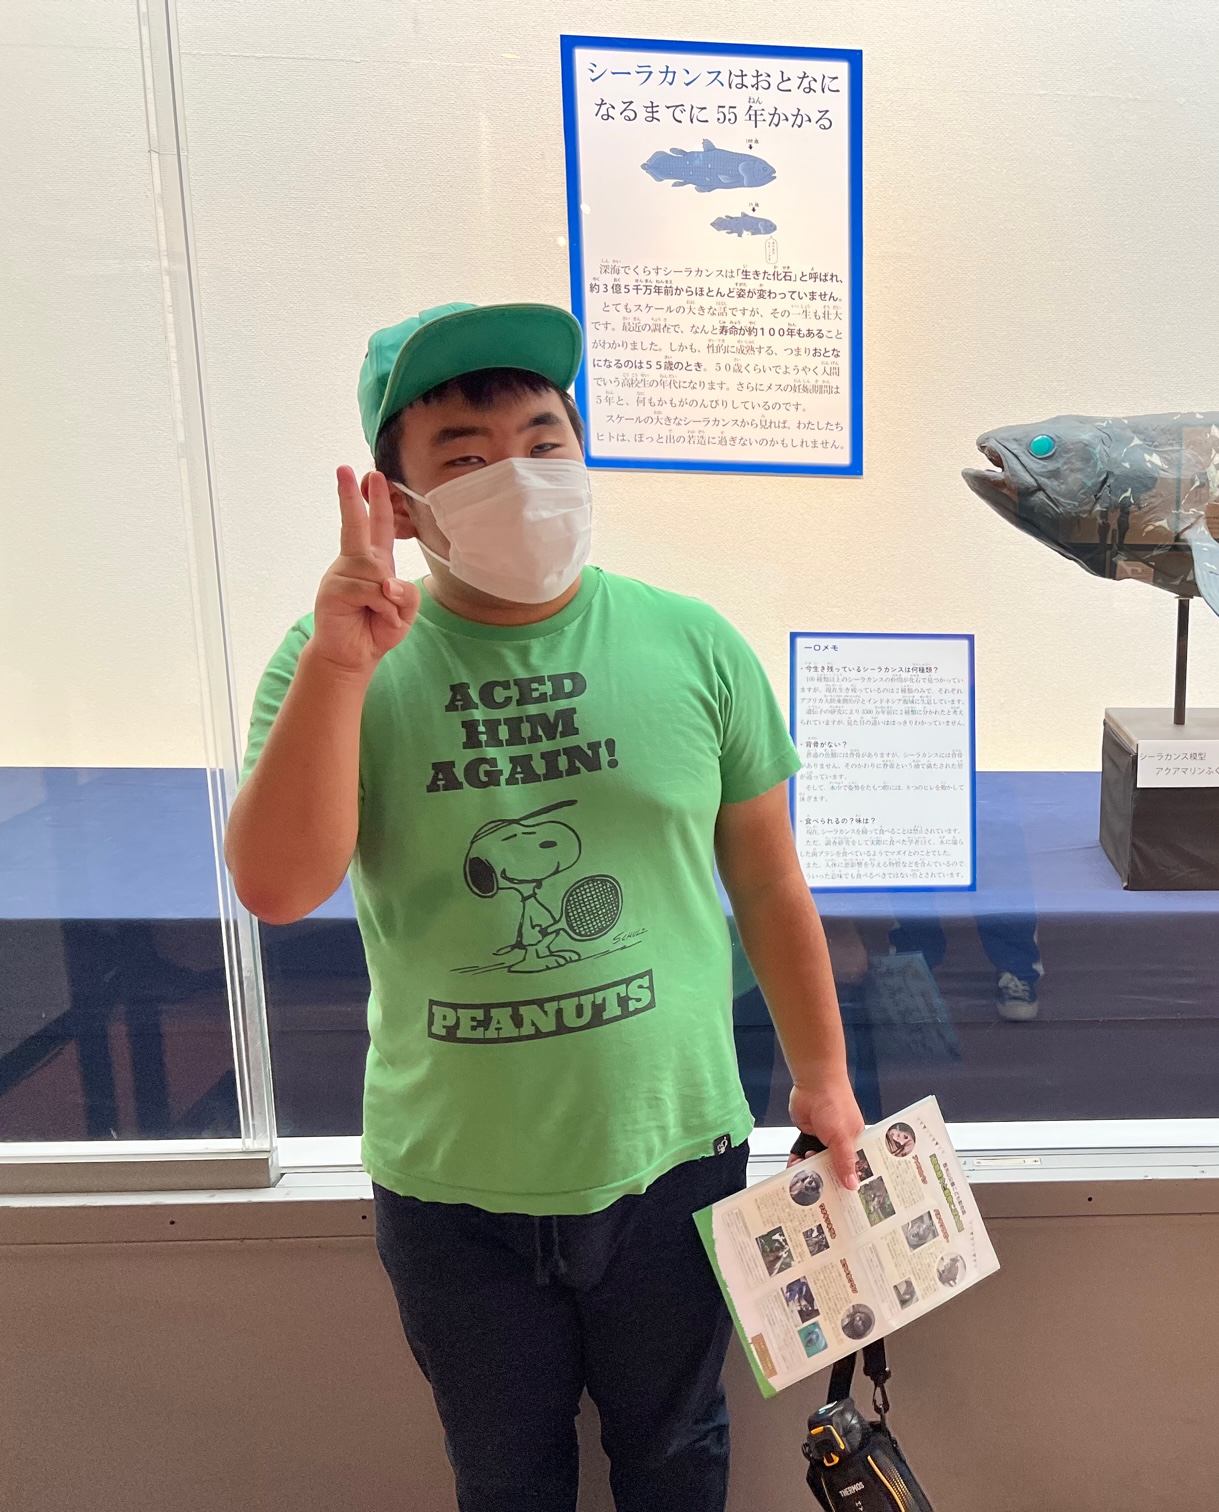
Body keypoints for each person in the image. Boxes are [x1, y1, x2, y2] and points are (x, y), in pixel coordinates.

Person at [225, 300, 864, 1512]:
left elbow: (770, 881)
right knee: (506, 1475)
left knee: (677, 1455)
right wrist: (339, 664)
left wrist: (823, 1078)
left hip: (675, 1156)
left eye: (542, 440)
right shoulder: (339, 662)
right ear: (398, 502)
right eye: (466, 457)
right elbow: (276, 885)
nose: (517, 476)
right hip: (453, 1184)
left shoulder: (694, 644)